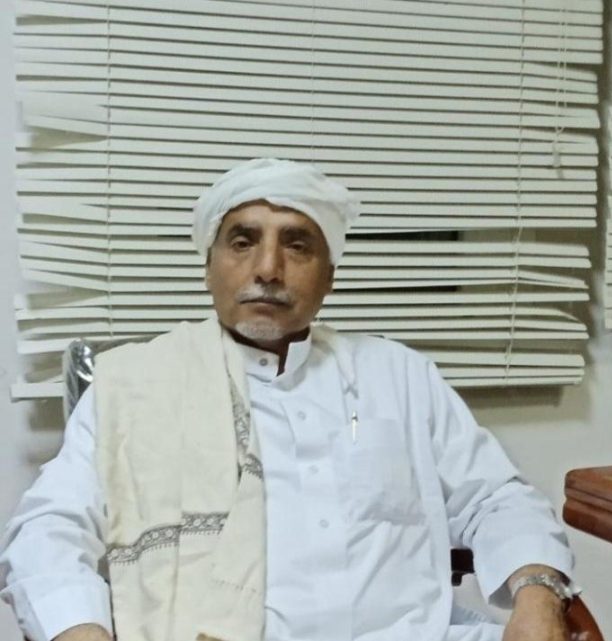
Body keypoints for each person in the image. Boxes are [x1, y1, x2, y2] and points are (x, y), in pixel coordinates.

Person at [0, 159, 576, 641]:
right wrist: (81, 632)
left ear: (330, 276)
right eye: (243, 241)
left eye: (297, 246)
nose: (268, 269)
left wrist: (537, 595)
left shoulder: (398, 375)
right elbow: (47, 530)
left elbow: (498, 497)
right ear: (208, 267)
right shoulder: (133, 387)